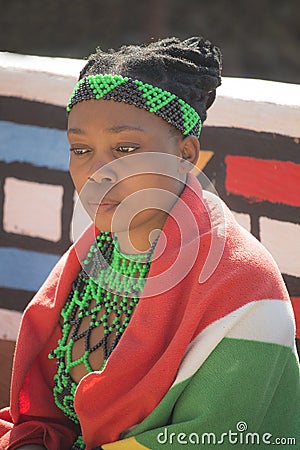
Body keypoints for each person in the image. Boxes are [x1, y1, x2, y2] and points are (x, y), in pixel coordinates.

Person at [0, 36, 299, 450]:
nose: (97, 171)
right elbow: (46, 418)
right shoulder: (94, 260)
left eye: (126, 148)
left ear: (185, 154)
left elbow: (218, 437)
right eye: (81, 149)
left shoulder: (242, 286)